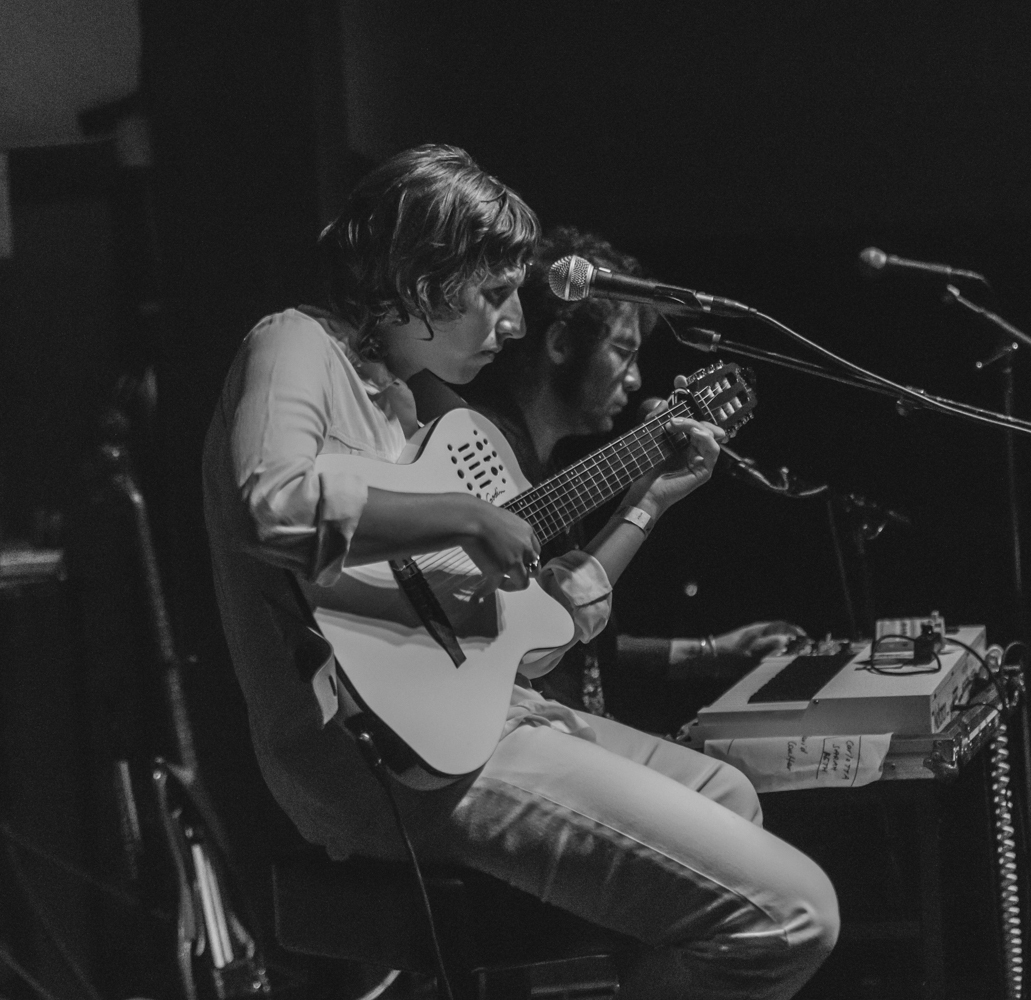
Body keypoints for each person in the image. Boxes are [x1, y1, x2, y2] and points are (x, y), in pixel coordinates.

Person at [201, 145, 837, 1000]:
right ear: (423, 272)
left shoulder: (430, 408)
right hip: (381, 759)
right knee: (794, 913)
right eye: (494, 294)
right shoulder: (295, 343)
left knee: (726, 792)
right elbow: (268, 505)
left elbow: (544, 630)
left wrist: (646, 503)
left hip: (492, 720)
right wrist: (465, 516)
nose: (511, 325)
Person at [470, 225, 805, 719]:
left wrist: (705, 653)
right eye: (623, 352)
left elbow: (565, 633)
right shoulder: (476, 456)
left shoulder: (554, 469)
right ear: (560, 343)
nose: (635, 379)